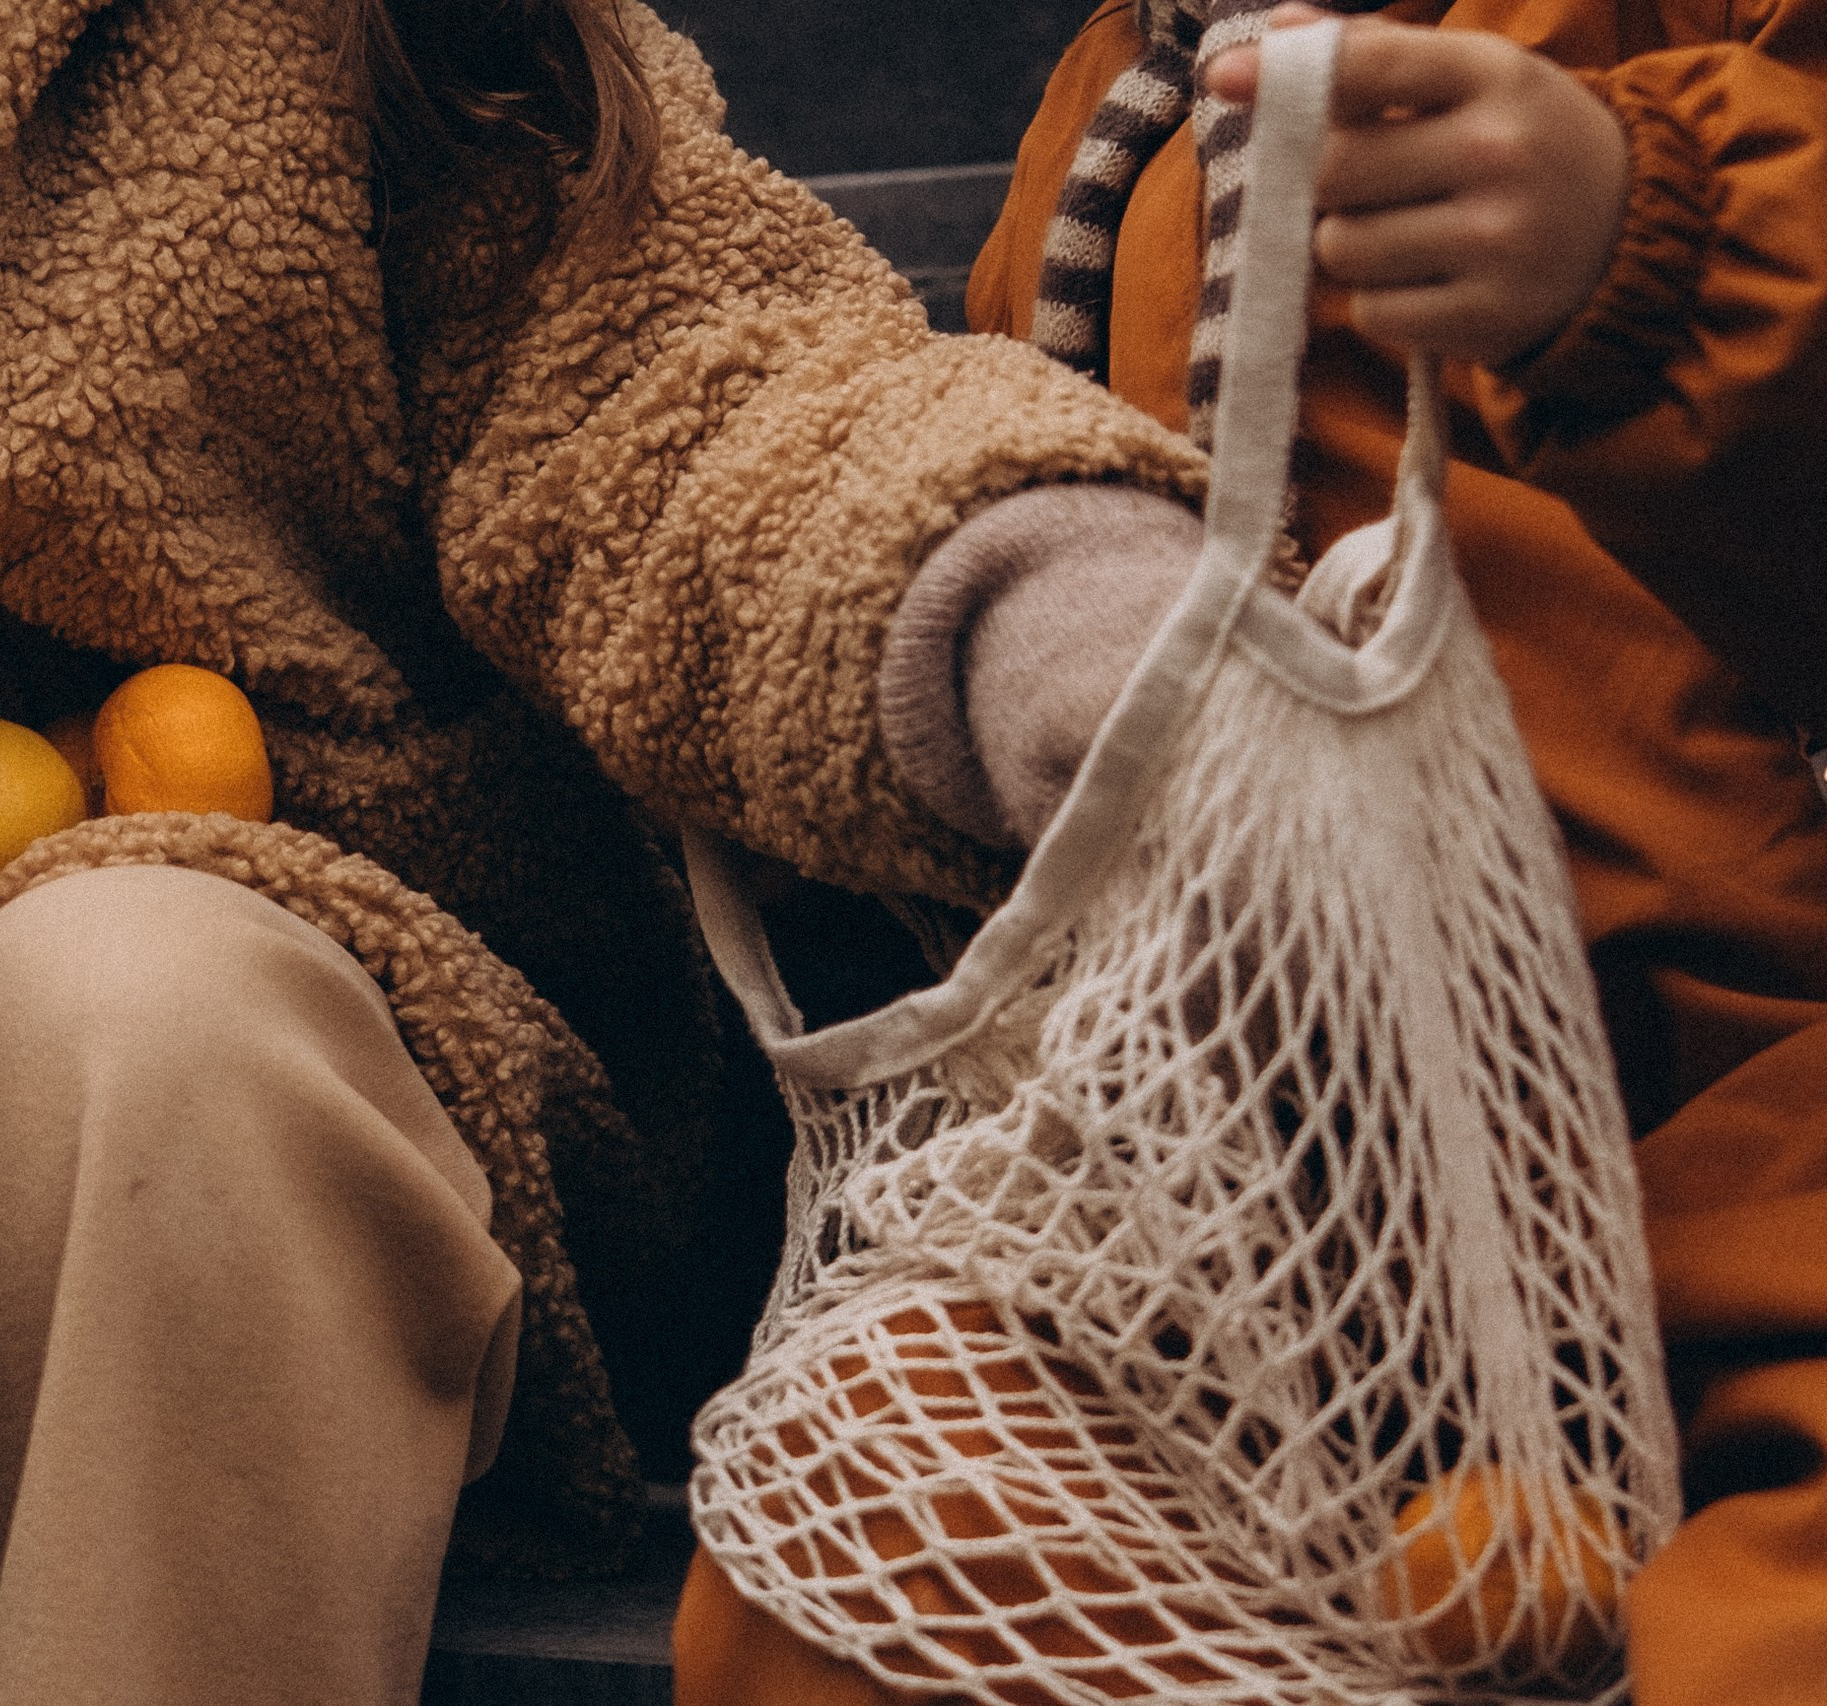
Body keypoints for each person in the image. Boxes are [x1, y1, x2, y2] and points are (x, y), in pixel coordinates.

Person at [0, 0, 1220, 1701]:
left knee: (149, 1028)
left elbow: (673, 370)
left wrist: (1013, 589)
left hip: (281, 976)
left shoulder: (349, 34)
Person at [673, 0, 1827, 1701]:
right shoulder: (1116, 109)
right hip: (1284, 1228)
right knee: (855, 1536)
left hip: (1758, 1167)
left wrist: (1655, 247)